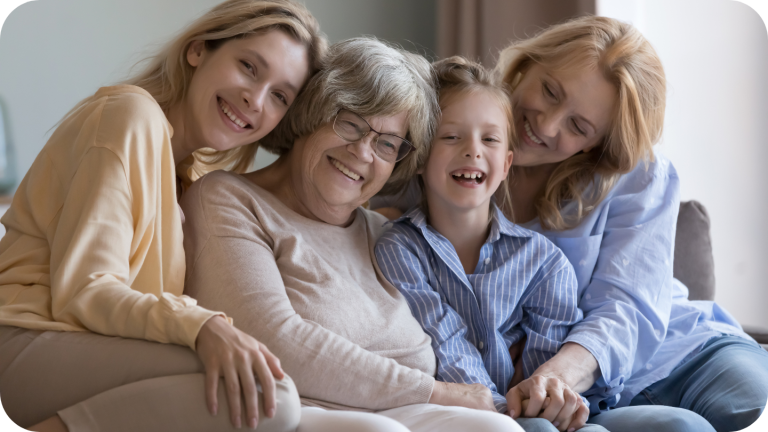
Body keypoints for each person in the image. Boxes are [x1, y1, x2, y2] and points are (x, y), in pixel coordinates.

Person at [372, 15, 768, 432]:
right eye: (548, 90)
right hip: (581, 404)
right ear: (527, 65)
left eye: (578, 126)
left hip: (683, 354)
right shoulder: (459, 139)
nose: (545, 125)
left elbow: (627, 308)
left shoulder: (637, 175)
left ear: (598, 143)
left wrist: (553, 381)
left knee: (753, 407)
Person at [0, 1, 326, 431]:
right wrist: (204, 326)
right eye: (248, 67)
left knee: (266, 392)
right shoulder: (130, 116)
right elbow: (86, 291)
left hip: (88, 345)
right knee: (270, 399)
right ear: (198, 50)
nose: (255, 98)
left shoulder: (196, 179)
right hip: (23, 337)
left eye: (280, 95)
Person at [181, 37, 526, 432]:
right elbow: (274, 341)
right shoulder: (231, 199)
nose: (363, 153)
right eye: (350, 122)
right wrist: (434, 392)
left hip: (410, 410)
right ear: (315, 111)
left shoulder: (388, 235)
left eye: (386, 144)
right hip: (303, 408)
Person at [374, 57, 610, 432]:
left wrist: (537, 402)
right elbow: (443, 342)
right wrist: (507, 408)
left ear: (505, 164)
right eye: (451, 136)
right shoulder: (398, 250)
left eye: (490, 139)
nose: (473, 151)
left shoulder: (544, 262)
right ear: (420, 157)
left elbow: (544, 373)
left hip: (542, 418)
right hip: (466, 417)